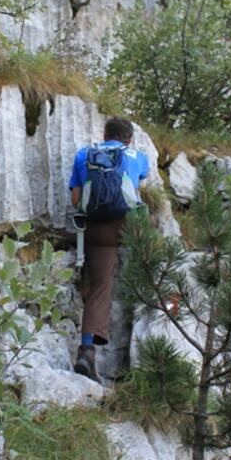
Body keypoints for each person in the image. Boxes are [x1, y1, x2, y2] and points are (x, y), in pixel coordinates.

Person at [68, 117, 150, 381]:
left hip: (97, 228)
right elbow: (139, 187)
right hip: (128, 225)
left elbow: (76, 199)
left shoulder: (84, 154)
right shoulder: (137, 156)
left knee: (100, 286)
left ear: (104, 135)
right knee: (148, 265)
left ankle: (86, 351)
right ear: (129, 139)